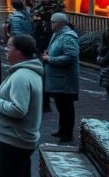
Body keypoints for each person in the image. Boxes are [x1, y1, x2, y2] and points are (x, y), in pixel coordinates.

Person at [0, 33, 43, 177]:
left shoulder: (21, 77)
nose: (5, 49)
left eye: (9, 46)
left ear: (19, 51)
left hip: (13, 142)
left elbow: (18, 109)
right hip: (19, 141)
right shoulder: (31, 73)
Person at [42, 12, 80, 142]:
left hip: (65, 80)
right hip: (58, 79)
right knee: (61, 106)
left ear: (60, 23)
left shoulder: (68, 37)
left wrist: (50, 59)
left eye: (53, 22)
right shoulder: (57, 35)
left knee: (66, 107)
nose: (51, 24)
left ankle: (67, 133)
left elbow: (70, 57)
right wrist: (48, 53)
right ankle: (62, 129)